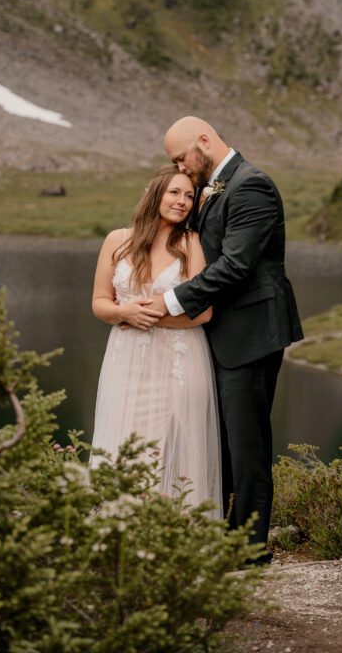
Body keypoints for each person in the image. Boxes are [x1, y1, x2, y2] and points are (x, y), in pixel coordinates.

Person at [148, 117, 303, 560]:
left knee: (247, 440)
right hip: (219, 333)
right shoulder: (211, 187)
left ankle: (250, 548)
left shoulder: (252, 186)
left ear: (204, 140)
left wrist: (169, 301)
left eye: (181, 157)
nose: (180, 166)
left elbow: (235, 266)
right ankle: (224, 534)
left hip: (252, 332)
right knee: (221, 438)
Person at [90, 165, 221, 513]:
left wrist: (148, 318)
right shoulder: (117, 240)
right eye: (174, 192)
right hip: (127, 359)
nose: (182, 201)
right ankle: (125, 530)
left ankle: (179, 534)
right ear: (154, 194)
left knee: (175, 445)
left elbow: (204, 312)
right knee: (126, 441)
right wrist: (124, 313)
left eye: (189, 196)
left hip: (178, 358)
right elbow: (100, 303)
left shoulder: (191, 243)